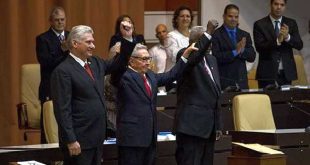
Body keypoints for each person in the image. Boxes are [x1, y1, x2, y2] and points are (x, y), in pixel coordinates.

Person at [110, 26, 214, 164]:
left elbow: (172, 75)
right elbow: (118, 66)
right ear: (131, 61)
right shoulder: (123, 76)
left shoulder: (150, 76)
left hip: (150, 138)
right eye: (143, 59)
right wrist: (128, 39)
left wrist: (184, 57)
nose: (147, 62)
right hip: (131, 140)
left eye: (149, 58)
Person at [50, 24, 135, 165]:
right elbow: (62, 110)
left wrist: (127, 38)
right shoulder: (63, 71)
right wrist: (70, 140)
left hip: (96, 138)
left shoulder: (95, 62)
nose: (93, 46)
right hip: (79, 140)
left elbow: (118, 64)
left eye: (93, 42)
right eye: (88, 42)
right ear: (75, 44)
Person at [174, 22, 221, 165]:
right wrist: (208, 33)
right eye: (206, 40)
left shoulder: (212, 60)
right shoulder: (184, 55)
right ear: (195, 42)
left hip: (209, 127)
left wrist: (217, 124)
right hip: (191, 127)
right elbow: (194, 57)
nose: (210, 44)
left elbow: (215, 93)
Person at [36, 6, 69, 143]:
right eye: (57, 20)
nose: (60, 23)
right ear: (50, 21)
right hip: (50, 86)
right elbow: (46, 62)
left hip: (68, 85)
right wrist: (62, 50)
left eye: (62, 19)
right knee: (48, 127)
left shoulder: (71, 36)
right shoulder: (43, 39)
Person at [254, 0, 303, 88]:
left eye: (282, 5)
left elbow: (299, 45)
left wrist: (287, 37)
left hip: (286, 73)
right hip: (267, 74)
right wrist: (277, 41)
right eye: (276, 4)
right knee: (267, 101)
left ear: (285, 6)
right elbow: (259, 47)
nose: (279, 7)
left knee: (286, 101)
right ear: (270, 4)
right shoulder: (259, 24)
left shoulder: (291, 23)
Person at [212, 4, 256, 90]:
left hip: (242, 81)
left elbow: (252, 57)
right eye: (230, 16)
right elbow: (216, 57)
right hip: (225, 82)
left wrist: (242, 50)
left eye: (236, 17)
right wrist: (235, 52)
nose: (233, 19)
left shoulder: (244, 35)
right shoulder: (216, 34)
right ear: (224, 16)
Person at [165, 6, 193, 72]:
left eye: (188, 16)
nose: (185, 18)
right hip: (174, 77)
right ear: (176, 19)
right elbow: (175, 57)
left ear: (191, 19)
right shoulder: (170, 36)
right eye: (182, 16)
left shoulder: (194, 34)